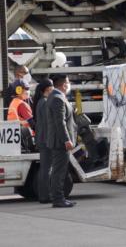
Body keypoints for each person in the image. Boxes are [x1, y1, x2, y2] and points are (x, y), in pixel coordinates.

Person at [46, 75, 76, 208]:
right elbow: (60, 122)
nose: (69, 85)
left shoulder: (54, 96)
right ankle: (58, 199)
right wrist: (67, 140)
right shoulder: (58, 98)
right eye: (68, 83)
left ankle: (59, 197)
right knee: (59, 171)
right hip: (60, 142)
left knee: (59, 170)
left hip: (58, 140)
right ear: (63, 84)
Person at [34, 79, 54, 204]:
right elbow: (49, 123)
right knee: (46, 169)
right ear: (46, 90)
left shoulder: (40, 102)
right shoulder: (46, 102)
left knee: (45, 168)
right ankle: (45, 196)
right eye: (51, 89)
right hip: (46, 140)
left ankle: (44, 195)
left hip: (42, 139)